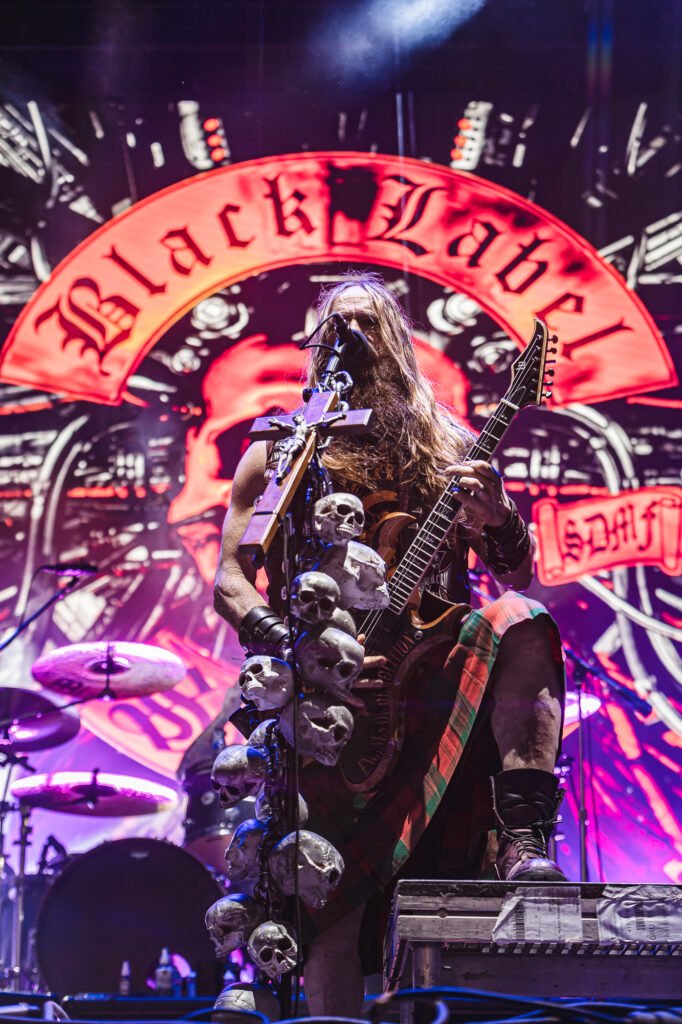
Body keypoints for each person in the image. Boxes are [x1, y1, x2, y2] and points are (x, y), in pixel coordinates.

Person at [213, 272, 566, 1015]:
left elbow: (515, 571)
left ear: (400, 343)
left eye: (370, 324)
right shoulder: (280, 450)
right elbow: (231, 581)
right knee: (331, 908)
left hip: (437, 687)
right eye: (338, 324)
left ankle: (525, 837)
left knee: (524, 618)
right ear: (316, 346)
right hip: (327, 707)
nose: (354, 337)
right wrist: (295, 655)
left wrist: (499, 514)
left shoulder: (448, 447)